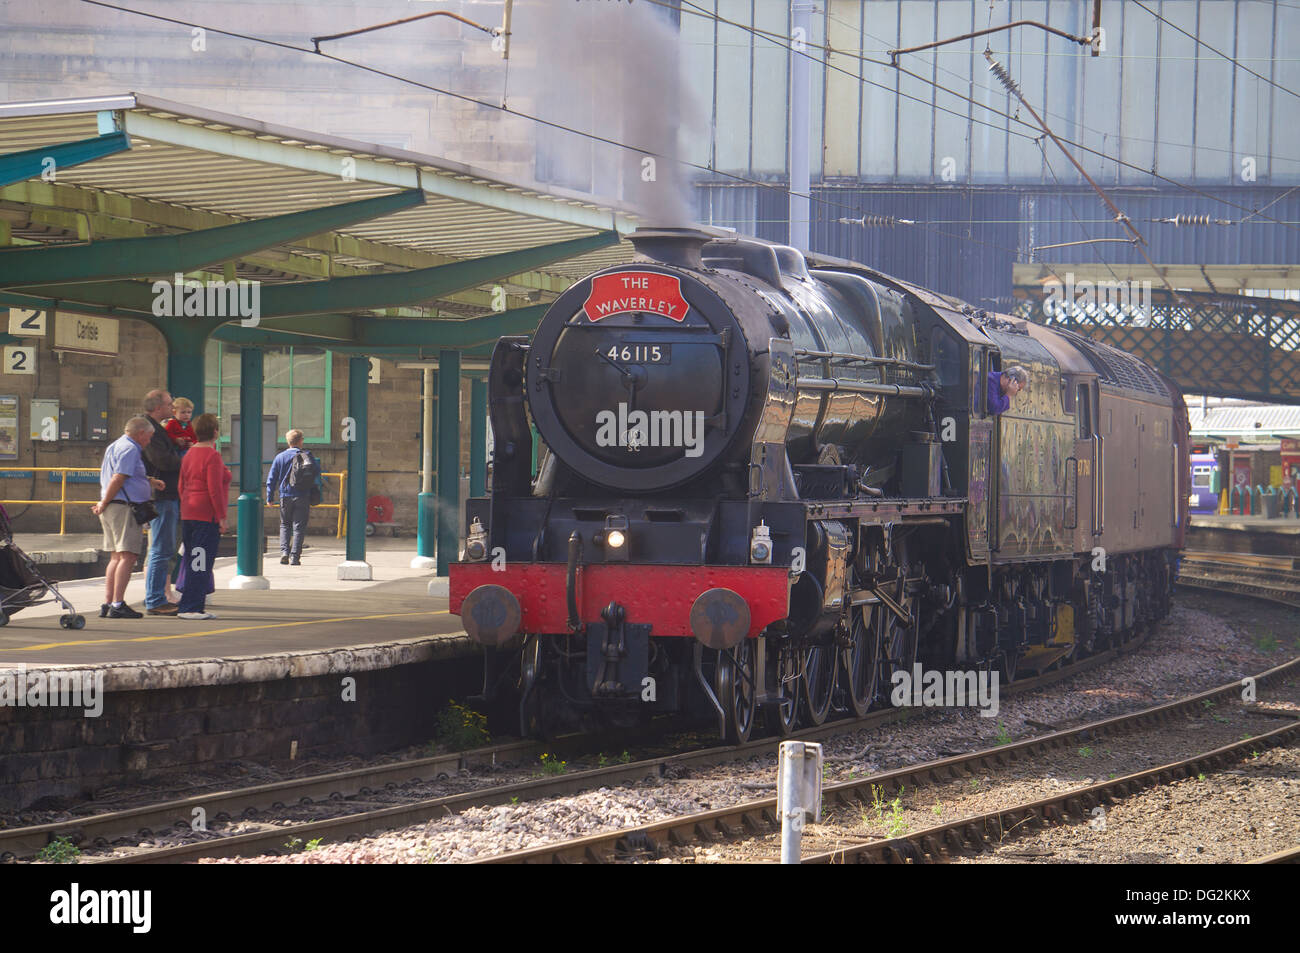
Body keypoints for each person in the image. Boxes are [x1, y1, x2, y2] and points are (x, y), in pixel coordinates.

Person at [92, 417, 166, 619]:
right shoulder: (130, 449)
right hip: (122, 508)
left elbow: (125, 475)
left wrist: (149, 481)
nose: (149, 441)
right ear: (140, 433)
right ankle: (117, 603)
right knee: (128, 555)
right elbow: (119, 477)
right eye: (149, 436)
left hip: (114, 507)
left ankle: (108, 603)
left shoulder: (116, 445)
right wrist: (104, 502)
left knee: (116, 556)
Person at [176, 413, 231, 621]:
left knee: (193, 559)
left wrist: (187, 507)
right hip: (205, 516)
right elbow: (214, 489)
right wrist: (221, 517)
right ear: (215, 432)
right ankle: (191, 607)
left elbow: (181, 485)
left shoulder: (189, 454)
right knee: (201, 562)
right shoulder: (212, 456)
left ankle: (192, 604)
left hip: (189, 513)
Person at [140, 389, 183, 615]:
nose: (172, 408)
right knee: (160, 549)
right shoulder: (151, 431)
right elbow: (161, 460)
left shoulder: (157, 429)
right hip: (161, 496)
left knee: (163, 548)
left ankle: (156, 597)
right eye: (169, 404)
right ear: (157, 407)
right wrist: (185, 461)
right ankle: (155, 600)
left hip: (164, 495)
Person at [266, 429, 317, 566]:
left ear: (288, 442)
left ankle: (284, 553)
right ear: (300, 441)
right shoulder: (307, 456)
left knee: (285, 525)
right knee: (299, 527)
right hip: (302, 496)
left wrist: (269, 497)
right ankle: (295, 557)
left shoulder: (280, 457)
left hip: (285, 496)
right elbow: (316, 473)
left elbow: (271, 479)